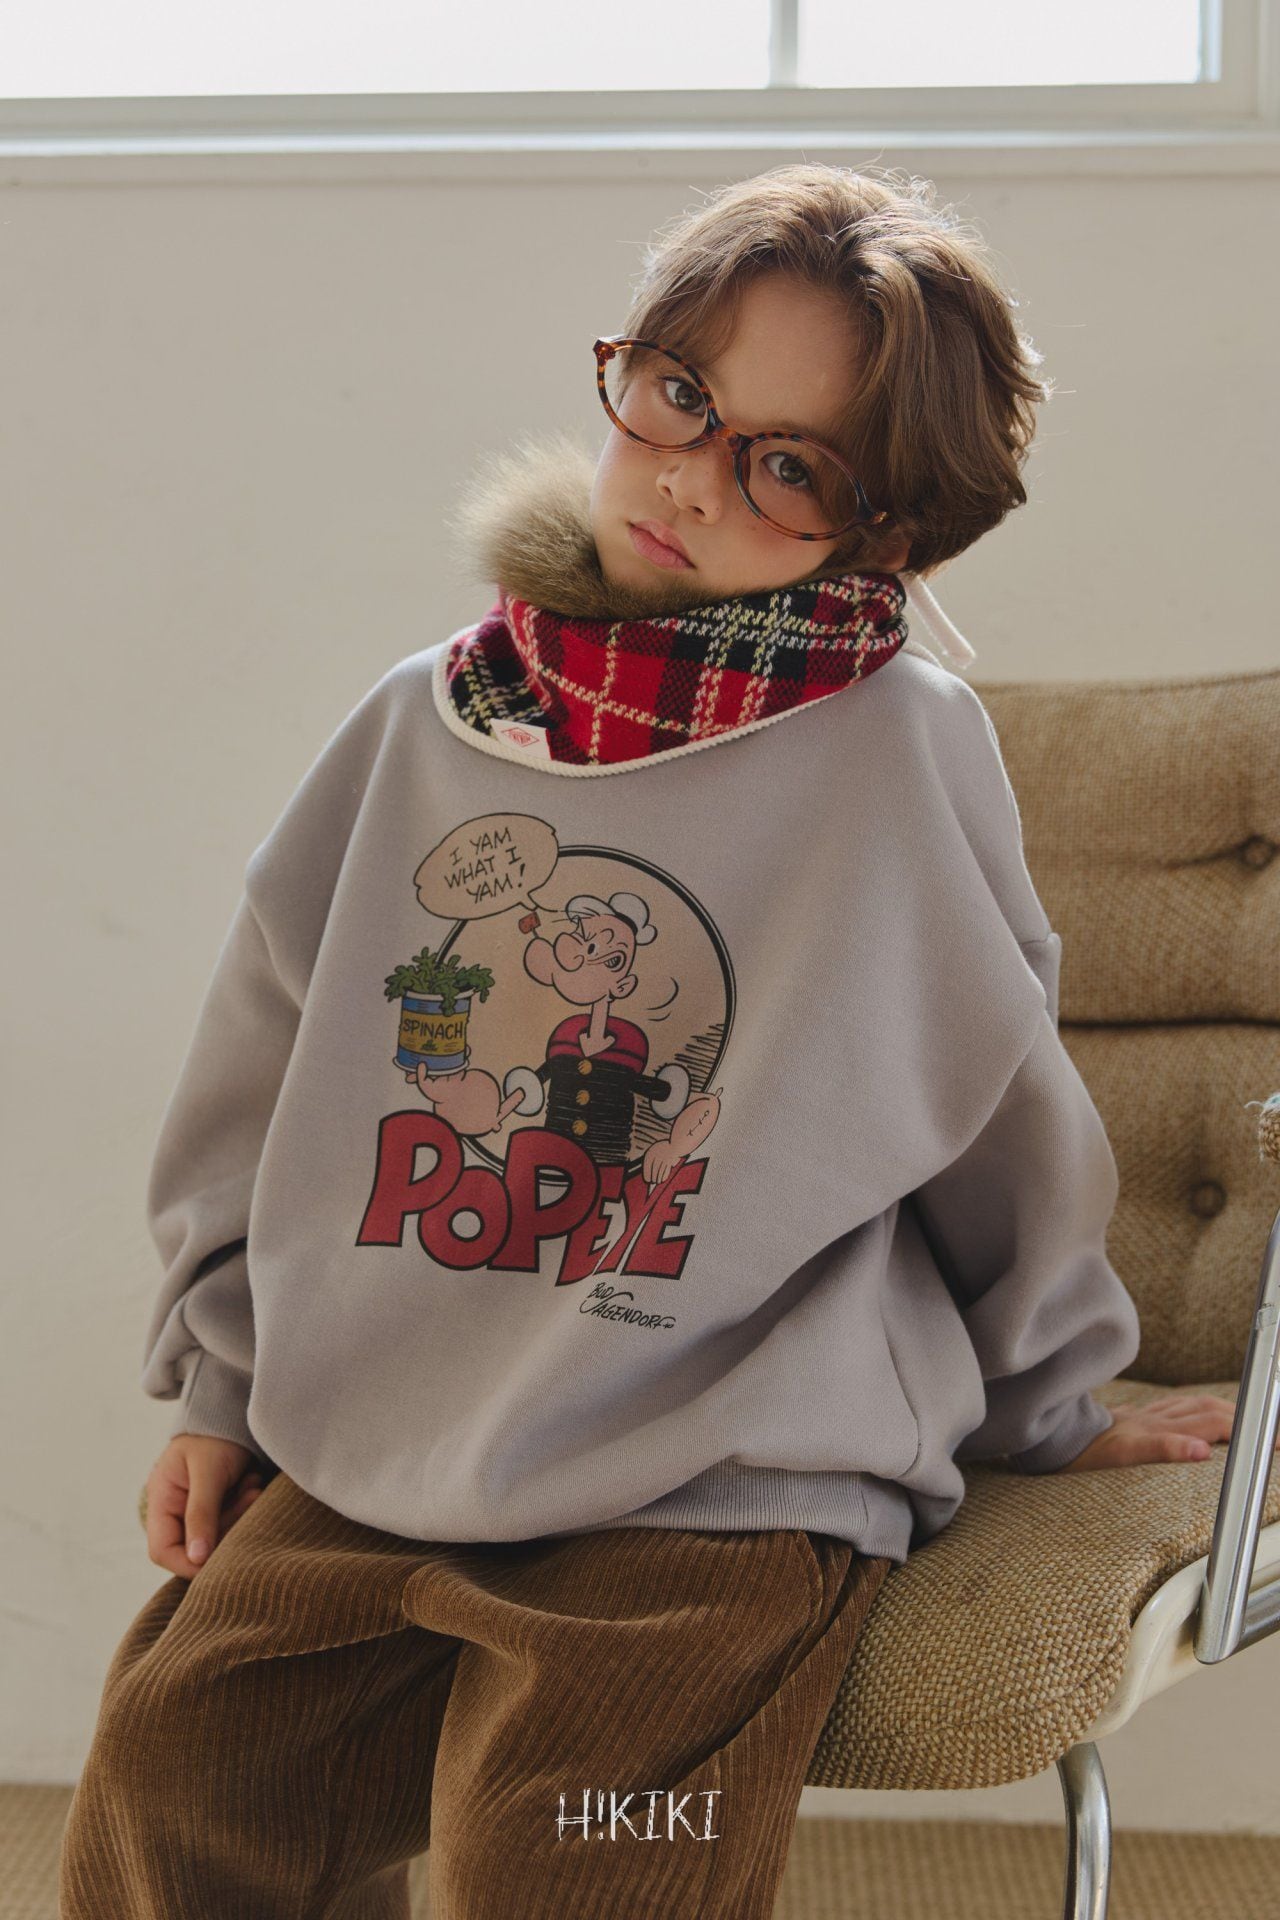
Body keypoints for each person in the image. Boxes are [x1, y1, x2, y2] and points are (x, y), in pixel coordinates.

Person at [59, 161, 1241, 1920]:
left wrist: (1048, 1404)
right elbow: (268, 1061)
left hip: (726, 1461)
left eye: (790, 465)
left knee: (591, 1850)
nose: (689, 476)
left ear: (887, 528)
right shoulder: (429, 718)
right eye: (680, 393)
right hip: (393, 1422)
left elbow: (994, 1103)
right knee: (176, 1778)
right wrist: (225, 1383)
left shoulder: (894, 747)